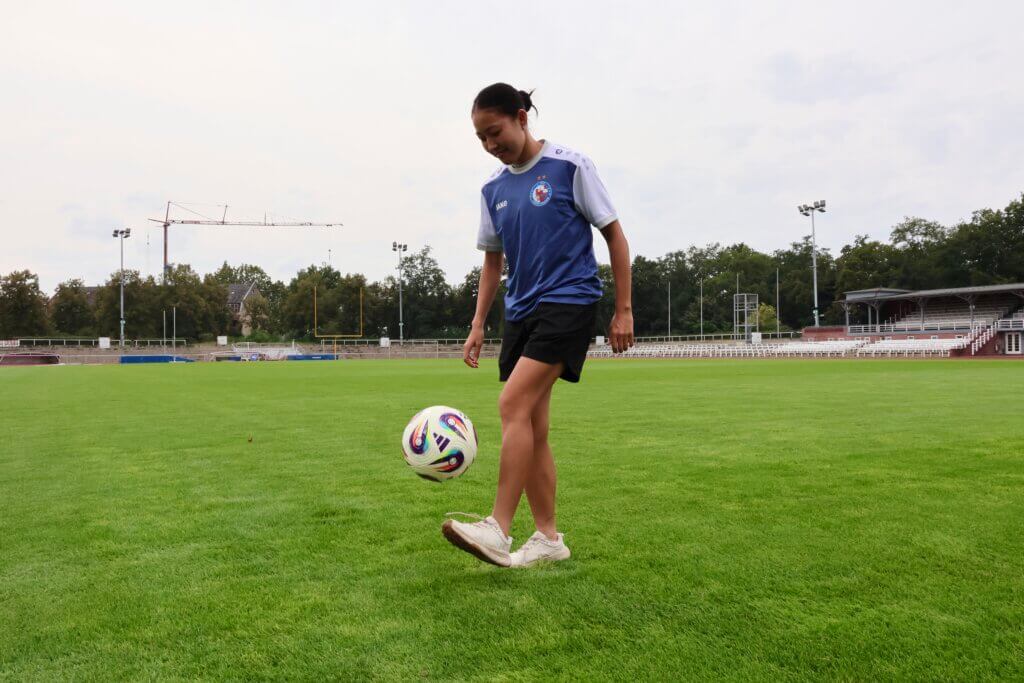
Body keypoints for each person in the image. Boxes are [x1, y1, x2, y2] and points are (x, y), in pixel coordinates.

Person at [442, 83, 634, 568]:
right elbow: (493, 262)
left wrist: (624, 309)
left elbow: (614, 235)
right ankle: (548, 538)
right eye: (481, 138)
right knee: (532, 424)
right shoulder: (492, 189)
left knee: (512, 405)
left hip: (569, 300)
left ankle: (498, 528)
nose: (491, 144)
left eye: (496, 132)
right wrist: (478, 323)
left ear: (522, 118)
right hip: (521, 311)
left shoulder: (570, 166)